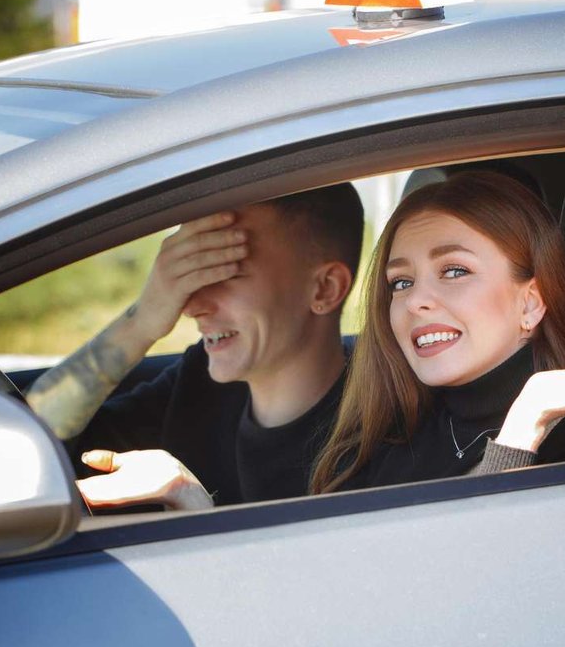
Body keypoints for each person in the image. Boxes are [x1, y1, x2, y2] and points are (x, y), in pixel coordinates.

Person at [311, 171, 565, 494]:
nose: (415, 301)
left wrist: (522, 430)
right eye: (400, 282)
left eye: (454, 271)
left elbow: (479, 578)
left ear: (530, 303)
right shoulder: (384, 442)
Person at [26, 183, 364, 510]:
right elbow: (24, 449)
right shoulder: (196, 385)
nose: (191, 306)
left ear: (324, 289)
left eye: (225, 273)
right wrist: (141, 322)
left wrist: (194, 508)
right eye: (193, 274)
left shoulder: (377, 434)